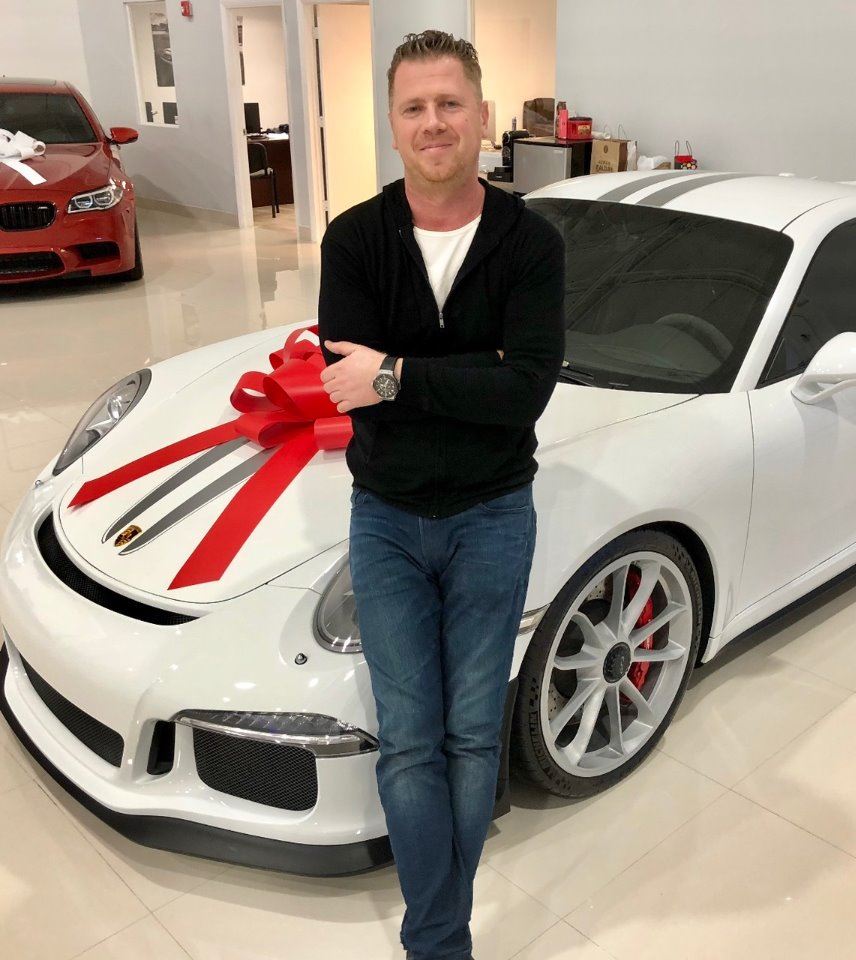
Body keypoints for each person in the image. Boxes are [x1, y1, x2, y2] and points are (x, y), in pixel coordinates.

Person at [318, 29, 565, 960]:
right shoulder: (354, 239)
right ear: (392, 125)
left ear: (483, 117)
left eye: (450, 104)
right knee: (410, 743)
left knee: (469, 738)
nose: (434, 123)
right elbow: (349, 384)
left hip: (494, 516)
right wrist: (464, 377)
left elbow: (525, 393)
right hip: (384, 519)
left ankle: (435, 934)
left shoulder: (531, 244)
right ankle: (443, 940)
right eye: (415, 107)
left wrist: (395, 376)